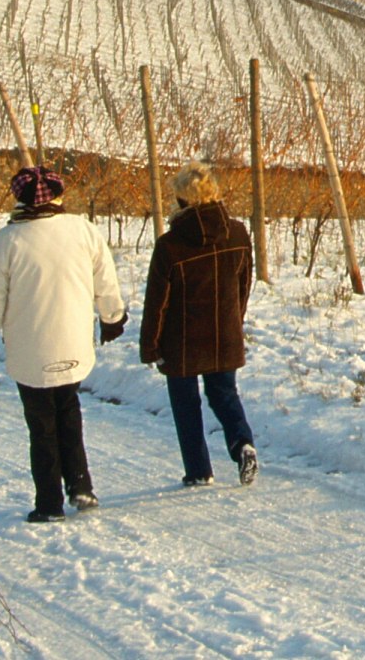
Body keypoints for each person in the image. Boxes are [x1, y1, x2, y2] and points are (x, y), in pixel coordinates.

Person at [0, 166, 126, 524]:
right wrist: (112, 317)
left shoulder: (6, 243)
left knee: (41, 424)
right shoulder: (83, 231)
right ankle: (81, 485)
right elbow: (105, 277)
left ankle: (49, 502)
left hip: (30, 349)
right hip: (74, 342)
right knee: (69, 410)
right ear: (58, 196)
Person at [141, 160, 258, 488]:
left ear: (181, 199)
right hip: (225, 333)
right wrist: (235, 320)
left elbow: (157, 302)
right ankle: (242, 443)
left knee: (185, 402)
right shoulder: (237, 232)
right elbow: (243, 284)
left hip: (181, 341)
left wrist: (150, 344)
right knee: (224, 393)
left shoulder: (170, 244)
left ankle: (198, 470)